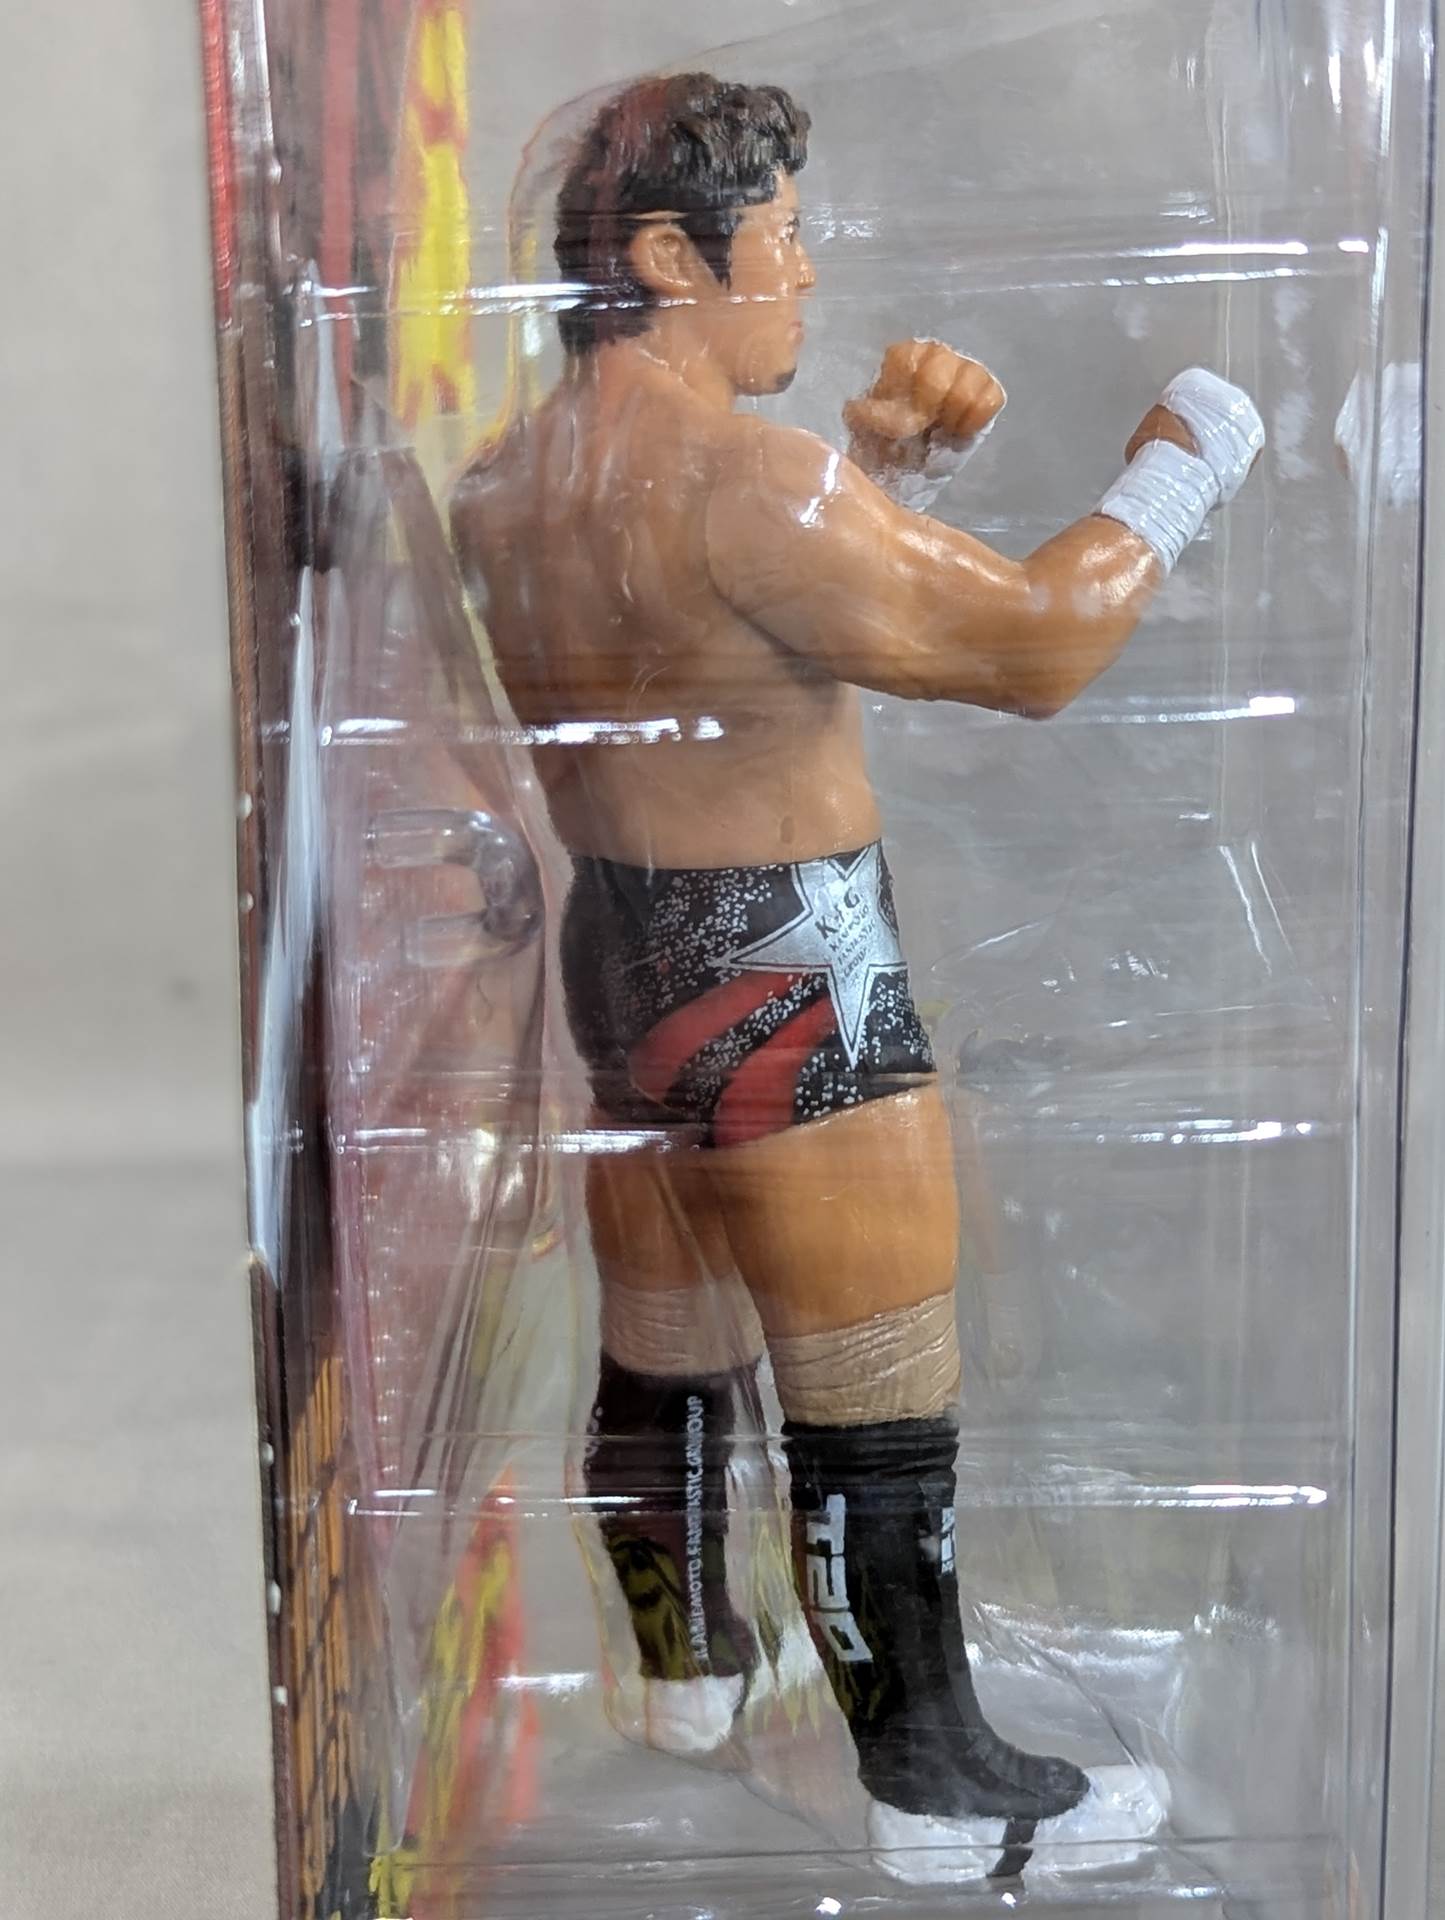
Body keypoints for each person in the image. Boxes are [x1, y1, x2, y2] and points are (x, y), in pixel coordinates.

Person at [450, 70, 1264, 1885]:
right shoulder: (748, 482)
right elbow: (1036, 646)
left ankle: (682, 1670)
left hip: (625, 950)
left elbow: (715, 658)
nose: (808, 277)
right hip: (785, 954)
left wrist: (875, 480)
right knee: (873, 1379)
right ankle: (931, 1787)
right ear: (674, 259)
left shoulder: (505, 482)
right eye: (787, 238)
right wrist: (1187, 454)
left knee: (666, 1327)